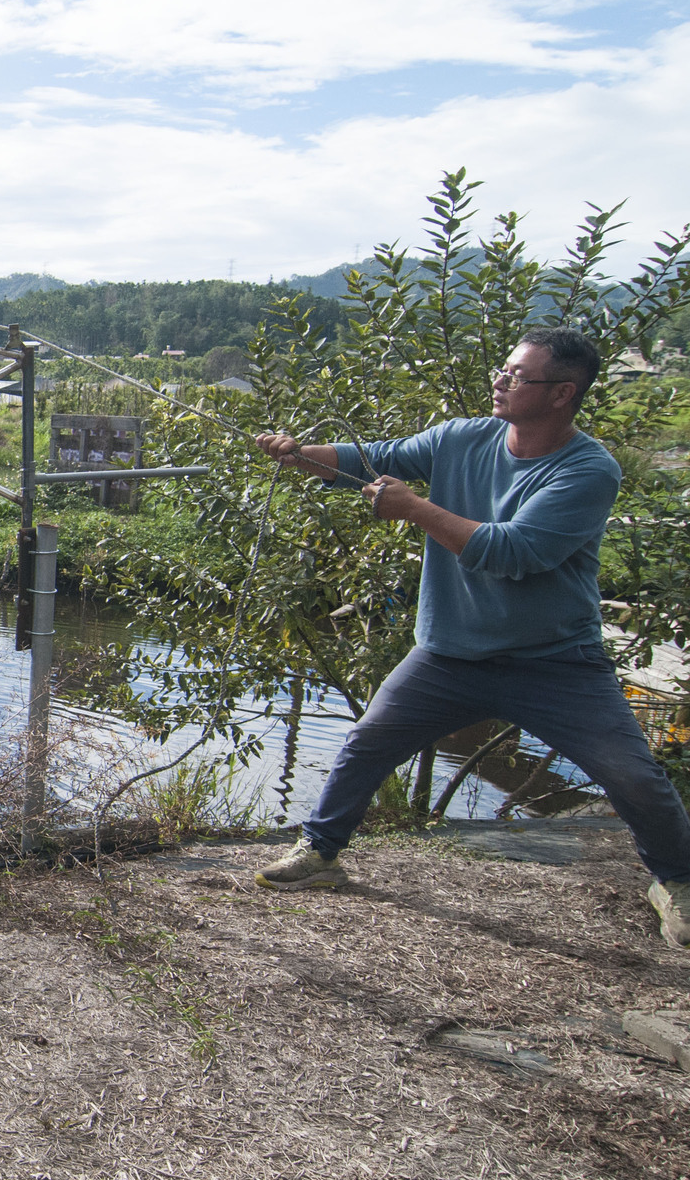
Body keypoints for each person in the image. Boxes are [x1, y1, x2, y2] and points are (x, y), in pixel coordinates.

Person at [249, 327, 690, 945]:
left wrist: (416, 510)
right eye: (503, 369)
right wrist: (302, 454)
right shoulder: (462, 437)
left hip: (555, 661)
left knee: (635, 777)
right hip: (449, 654)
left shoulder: (588, 471)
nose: (501, 381)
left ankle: (676, 881)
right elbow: (373, 458)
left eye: (518, 376)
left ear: (563, 393)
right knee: (369, 742)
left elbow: (514, 552)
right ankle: (321, 855)